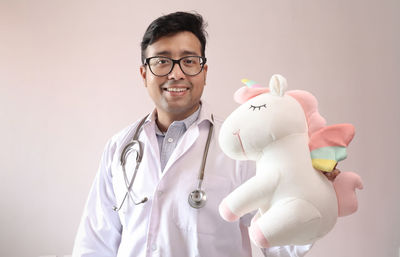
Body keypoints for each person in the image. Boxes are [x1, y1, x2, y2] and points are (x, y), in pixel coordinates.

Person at [72, 11, 312, 257]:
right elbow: (94, 244)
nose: (176, 74)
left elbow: (283, 242)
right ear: (144, 74)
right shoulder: (119, 147)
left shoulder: (241, 148)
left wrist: (310, 184)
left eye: (188, 61)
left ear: (204, 71)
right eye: (162, 61)